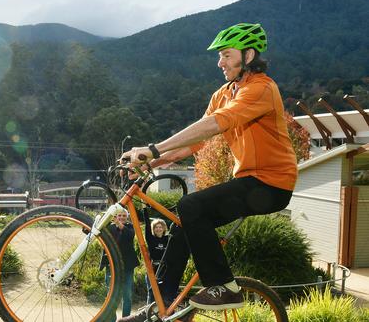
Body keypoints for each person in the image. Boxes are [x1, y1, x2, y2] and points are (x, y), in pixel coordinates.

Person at [119, 23, 297, 321]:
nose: (220, 62)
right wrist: (149, 162)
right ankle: (164, 307)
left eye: (227, 55)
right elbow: (195, 143)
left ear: (249, 55)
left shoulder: (262, 89)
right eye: (220, 56)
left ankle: (223, 286)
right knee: (182, 222)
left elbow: (216, 124)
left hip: (272, 185)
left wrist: (153, 148)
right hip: (248, 182)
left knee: (191, 205)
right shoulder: (224, 94)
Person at [100, 207, 138, 321]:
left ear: (127, 218)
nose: (121, 218)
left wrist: (119, 224)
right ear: (115, 216)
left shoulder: (130, 227)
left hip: (127, 266)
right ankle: (111, 319)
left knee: (127, 294)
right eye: (119, 215)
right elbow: (98, 233)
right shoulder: (109, 228)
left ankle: (126, 319)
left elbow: (130, 236)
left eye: (124, 216)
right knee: (111, 294)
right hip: (111, 265)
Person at [143, 211, 168, 305]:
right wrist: (145, 210)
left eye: (160, 227)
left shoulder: (168, 239)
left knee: (163, 292)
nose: (158, 229)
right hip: (152, 268)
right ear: (154, 229)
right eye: (156, 227)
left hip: (163, 269)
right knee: (151, 291)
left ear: (164, 228)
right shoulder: (151, 238)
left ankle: (161, 312)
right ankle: (149, 312)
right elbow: (147, 225)